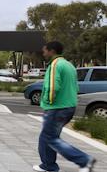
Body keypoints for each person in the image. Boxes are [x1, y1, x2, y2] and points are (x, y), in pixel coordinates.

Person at [33, 40, 96, 172]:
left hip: (57, 108)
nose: (43, 53)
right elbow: (75, 86)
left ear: (52, 51)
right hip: (68, 106)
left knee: (49, 138)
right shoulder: (69, 65)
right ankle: (49, 166)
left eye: (45, 50)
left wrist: (47, 102)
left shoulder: (55, 65)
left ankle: (84, 160)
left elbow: (52, 87)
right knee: (49, 137)